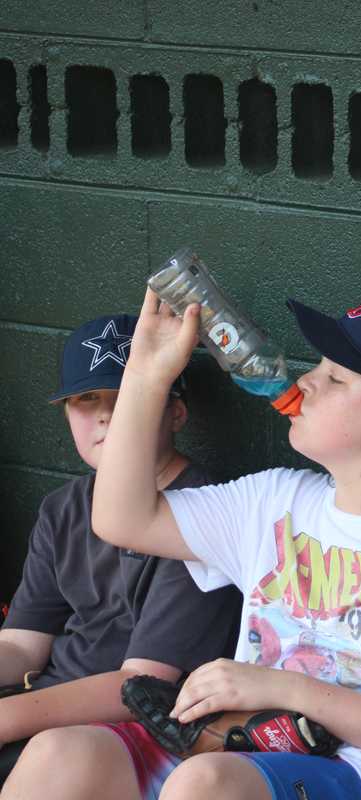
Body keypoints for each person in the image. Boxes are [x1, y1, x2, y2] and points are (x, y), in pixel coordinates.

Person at [2, 292, 361, 800]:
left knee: (204, 786)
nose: (306, 382)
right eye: (317, 366)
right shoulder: (277, 497)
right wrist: (144, 378)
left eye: (334, 378)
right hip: (236, 741)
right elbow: (122, 519)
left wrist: (282, 689)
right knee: (58, 755)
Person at [0, 313, 241, 785]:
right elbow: (20, 644)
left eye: (127, 395)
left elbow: (141, 686)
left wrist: (7, 718)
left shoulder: (202, 516)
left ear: (176, 412)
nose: (107, 414)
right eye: (86, 399)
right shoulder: (63, 507)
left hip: (121, 736)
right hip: (39, 708)